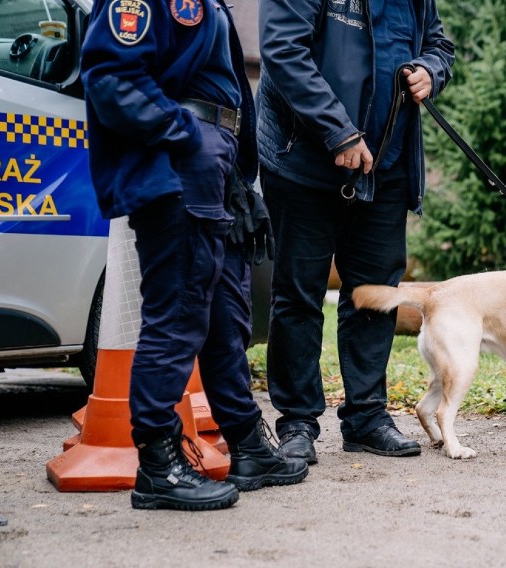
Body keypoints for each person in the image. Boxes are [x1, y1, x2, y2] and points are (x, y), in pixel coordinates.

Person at [81, 0, 308, 511]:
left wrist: (236, 176)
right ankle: (159, 466)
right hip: (180, 164)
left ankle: (247, 442)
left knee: (225, 315)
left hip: (215, 166)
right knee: (180, 312)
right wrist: (188, 137)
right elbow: (110, 76)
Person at [257, 0, 455, 463]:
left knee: (374, 293)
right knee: (298, 294)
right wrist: (337, 131)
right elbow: (284, 51)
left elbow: (439, 44)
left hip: (384, 166)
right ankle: (297, 422)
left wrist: (430, 69)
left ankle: (366, 417)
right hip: (304, 160)